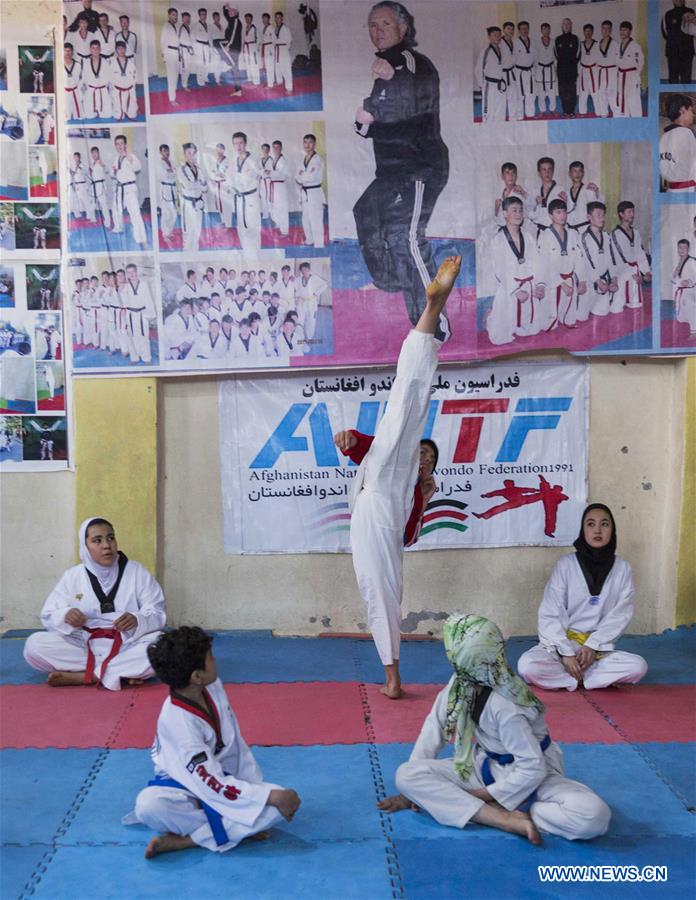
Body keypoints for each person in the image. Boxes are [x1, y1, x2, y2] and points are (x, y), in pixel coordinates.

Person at [333, 256, 461, 699]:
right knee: (404, 405)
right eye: (423, 451)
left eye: (429, 457)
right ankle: (430, 313)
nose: (424, 457)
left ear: (428, 465)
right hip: (373, 493)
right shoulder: (394, 451)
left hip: (387, 509)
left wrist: (422, 496)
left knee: (386, 591)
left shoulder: (416, 480)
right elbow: (364, 446)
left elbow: (406, 537)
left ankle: (391, 672)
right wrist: (349, 440)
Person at [380, 614, 611, 842]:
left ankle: (507, 811)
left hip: (535, 776)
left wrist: (483, 795)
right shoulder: (459, 684)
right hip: (483, 768)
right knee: (407, 774)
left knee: (593, 816)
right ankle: (499, 817)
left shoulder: (506, 705)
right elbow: (435, 728)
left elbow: (532, 767)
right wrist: (407, 794)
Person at [127, 627, 301, 858]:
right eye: (210, 658)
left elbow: (234, 748)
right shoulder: (179, 723)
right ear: (196, 676)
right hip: (184, 787)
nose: (215, 660)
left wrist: (254, 793)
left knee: (282, 800)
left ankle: (192, 838)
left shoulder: (210, 686)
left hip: (221, 778)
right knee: (149, 806)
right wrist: (266, 799)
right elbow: (207, 781)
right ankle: (218, 834)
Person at [353, 2, 450, 339]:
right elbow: (368, 121)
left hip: (419, 167)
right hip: (392, 170)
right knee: (366, 212)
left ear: (403, 28)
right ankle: (393, 280)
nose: (376, 30)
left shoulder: (409, 62)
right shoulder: (385, 66)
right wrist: (367, 122)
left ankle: (433, 324)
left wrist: (392, 81)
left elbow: (408, 112)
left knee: (405, 236)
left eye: (384, 23)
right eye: (371, 24)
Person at [23, 517, 166, 689]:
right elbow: (48, 614)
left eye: (110, 538)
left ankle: (87, 676)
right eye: (97, 540)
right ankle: (121, 672)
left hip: (127, 642)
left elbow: (157, 611)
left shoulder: (136, 572)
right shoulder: (73, 576)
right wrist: (65, 615)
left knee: (164, 645)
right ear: (85, 546)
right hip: (85, 644)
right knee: (34, 645)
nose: (107, 545)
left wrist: (138, 619)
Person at [518, 505, 648, 691]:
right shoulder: (566, 565)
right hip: (562, 646)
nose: (597, 530)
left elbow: (620, 615)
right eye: (590, 524)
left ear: (613, 530)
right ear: (583, 530)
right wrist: (566, 653)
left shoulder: (622, 568)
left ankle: (573, 677)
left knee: (638, 666)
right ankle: (588, 679)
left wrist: (593, 645)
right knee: (527, 666)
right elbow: (550, 612)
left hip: (597, 650)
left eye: (604, 524)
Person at [537, 198, 586, 331]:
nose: (563, 215)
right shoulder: (545, 236)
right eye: (558, 212)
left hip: (570, 278)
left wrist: (581, 280)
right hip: (553, 282)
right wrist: (561, 283)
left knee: (570, 317)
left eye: (564, 212)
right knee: (549, 326)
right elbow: (544, 264)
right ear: (550, 215)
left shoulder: (573, 234)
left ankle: (567, 318)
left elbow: (579, 259)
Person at [578, 202, 618, 319]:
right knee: (582, 317)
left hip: (604, 280)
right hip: (590, 282)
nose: (602, 218)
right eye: (598, 215)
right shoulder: (583, 237)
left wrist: (614, 279)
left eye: (603, 215)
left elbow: (611, 258)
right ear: (589, 217)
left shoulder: (606, 236)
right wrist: (598, 281)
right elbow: (587, 261)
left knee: (603, 313)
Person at [610, 201, 651, 312]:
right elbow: (616, 258)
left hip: (634, 274)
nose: (632, 214)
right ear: (621, 214)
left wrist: (646, 272)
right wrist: (632, 273)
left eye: (633, 211)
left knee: (636, 306)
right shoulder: (615, 234)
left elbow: (640, 254)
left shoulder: (636, 233)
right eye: (629, 211)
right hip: (621, 274)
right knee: (616, 309)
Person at [112, 133, 147, 246]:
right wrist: (114, 171)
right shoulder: (116, 158)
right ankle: (118, 227)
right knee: (116, 209)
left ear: (125, 145)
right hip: (120, 188)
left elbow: (138, 167)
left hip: (130, 189)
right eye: (117, 144)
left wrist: (130, 158)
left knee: (135, 213)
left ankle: (141, 238)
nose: (119, 146)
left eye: (121, 143)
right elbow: (113, 174)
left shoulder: (131, 155)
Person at [229, 131, 261, 254]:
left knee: (252, 227)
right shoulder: (234, 159)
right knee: (241, 227)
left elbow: (260, 174)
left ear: (245, 143)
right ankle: (246, 251)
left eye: (241, 143)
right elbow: (232, 178)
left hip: (251, 198)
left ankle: (254, 253)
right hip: (239, 198)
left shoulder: (252, 160)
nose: (238, 146)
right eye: (235, 144)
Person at [659, 94, 696, 192]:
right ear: (683, 110)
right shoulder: (686, 133)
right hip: (688, 191)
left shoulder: (664, 136)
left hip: (671, 191)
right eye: (691, 111)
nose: (693, 115)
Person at [296, 133, 325, 248]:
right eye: (305, 142)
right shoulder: (303, 158)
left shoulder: (317, 159)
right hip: (305, 193)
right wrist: (303, 176)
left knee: (316, 219)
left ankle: (319, 244)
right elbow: (296, 176)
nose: (307, 145)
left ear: (314, 144)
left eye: (310, 142)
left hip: (314, 192)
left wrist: (303, 175)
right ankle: (309, 240)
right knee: (306, 218)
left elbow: (311, 177)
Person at [178, 142, 208, 252]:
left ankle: (195, 256)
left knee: (197, 232)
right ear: (185, 155)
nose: (191, 155)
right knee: (188, 234)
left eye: (193, 153)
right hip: (188, 204)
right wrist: (199, 184)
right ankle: (186, 260)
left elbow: (205, 188)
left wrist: (200, 184)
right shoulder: (181, 169)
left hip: (199, 203)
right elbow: (188, 185)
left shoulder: (199, 170)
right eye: (188, 153)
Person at [476, 27, 506, 124]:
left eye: (499, 35)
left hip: (500, 85)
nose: (498, 37)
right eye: (495, 35)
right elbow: (478, 70)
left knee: (501, 111)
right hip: (489, 85)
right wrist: (481, 85)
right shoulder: (485, 51)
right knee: (489, 112)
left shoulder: (502, 50)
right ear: (489, 37)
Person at [662, 0, 695, 84]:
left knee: (686, 78)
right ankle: (673, 97)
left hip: (687, 50)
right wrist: (674, 41)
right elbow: (664, 32)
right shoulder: (668, 14)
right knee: (673, 78)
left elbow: (693, 30)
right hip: (673, 51)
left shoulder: (691, 12)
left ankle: (686, 97)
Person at [615, 22, 644, 118]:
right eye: (621, 30)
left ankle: (637, 120)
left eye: (625, 30)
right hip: (621, 75)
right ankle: (624, 118)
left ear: (630, 31)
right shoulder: (618, 45)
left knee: (633, 99)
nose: (623, 32)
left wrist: (636, 76)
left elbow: (640, 62)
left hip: (631, 75)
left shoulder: (635, 46)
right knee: (622, 97)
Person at [554, 18, 580, 116]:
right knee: (562, 92)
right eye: (564, 24)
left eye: (568, 24)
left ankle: (572, 111)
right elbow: (556, 54)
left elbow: (578, 55)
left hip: (572, 70)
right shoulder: (558, 39)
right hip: (561, 70)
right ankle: (565, 111)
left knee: (572, 91)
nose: (566, 26)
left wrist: (571, 65)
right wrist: (563, 64)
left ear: (571, 25)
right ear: (561, 26)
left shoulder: (575, 38)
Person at [672, 239, 696, 334]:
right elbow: (674, 280)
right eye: (680, 247)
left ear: (688, 248)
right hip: (680, 292)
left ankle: (694, 331)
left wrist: (689, 281)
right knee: (681, 318)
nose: (682, 250)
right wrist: (674, 299)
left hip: (691, 290)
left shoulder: (693, 261)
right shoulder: (677, 262)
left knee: (690, 304)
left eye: (684, 247)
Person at [157, 143, 178, 246]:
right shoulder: (159, 163)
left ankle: (169, 232)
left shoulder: (172, 162)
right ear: (161, 152)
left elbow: (175, 174)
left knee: (174, 214)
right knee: (166, 214)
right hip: (165, 189)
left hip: (173, 189)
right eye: (164, 151)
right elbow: (165, 175)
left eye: (168, 150)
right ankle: (165, 234)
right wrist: (171, 172)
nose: (167, 152)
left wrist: (171, 172)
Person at [595, 20, 618, 118]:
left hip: (612, 71)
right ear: (601, 29)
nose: (605, 30)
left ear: (611, 30)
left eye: (607, 28)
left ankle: (616, 114)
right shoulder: (598, 43)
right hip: (601, 72)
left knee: (612, 94)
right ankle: (604, 114)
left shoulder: (615, 44)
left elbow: (618, 59)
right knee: (601, 93)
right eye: (603, 28)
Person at [110, 41, 138, 120]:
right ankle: (120, 113)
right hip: (117, 90)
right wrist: (114, 88)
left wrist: (132, 86)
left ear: (125, 49)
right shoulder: (112, 63)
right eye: (119, 48)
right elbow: (110, 77)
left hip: (129, 89)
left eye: (123, 48)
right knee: (118, 115)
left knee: (133, 114)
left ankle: (130, 113)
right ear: (116, 50)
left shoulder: (131, 62)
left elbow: (135, 76)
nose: (121, 50)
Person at [513, 21, 535, 120]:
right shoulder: (515, 43)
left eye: (526, 28)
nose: (525, 30)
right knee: (520, 95)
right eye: (522, 29)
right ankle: (520, 116)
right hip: (519, 72)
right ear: (519, 30)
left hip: (530, 71)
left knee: (531, 94)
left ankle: (530, 114)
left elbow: (535, 57)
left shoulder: (533, 41)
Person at [267, 140, 290, 236]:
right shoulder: (274, 159)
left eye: (278, 147)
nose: (276, 149)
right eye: (274, 147)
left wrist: (270, 173)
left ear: (281, 148)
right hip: (273, 186)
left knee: (282, 208)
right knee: (274, 207)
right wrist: (269, 172)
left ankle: (285, 231)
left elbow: (281, 174)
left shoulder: (282, 160)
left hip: (280, 186)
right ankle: (279, 224)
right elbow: (273, 172)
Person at [577, 24, 599, 116]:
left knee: (595, 92)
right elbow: (577, 58)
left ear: (592, 32)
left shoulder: (597, 44)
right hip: (583, 70)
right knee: (583, 93)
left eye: (590, 31)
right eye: (586, 31)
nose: (588, 33)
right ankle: (582, 112)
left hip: (594, 70)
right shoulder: (580, 45)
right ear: (584, 32)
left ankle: (598, 111)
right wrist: (578, 71)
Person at [161, 7, 181, 106]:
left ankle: (174, 94)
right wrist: (164, 56)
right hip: (169, 53)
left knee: (176, 76)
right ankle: (172, 99)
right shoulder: (166, 26)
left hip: (177, 53)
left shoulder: (176, 27)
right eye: (173, 14)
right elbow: (162, 41)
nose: (175, 16)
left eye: (176, 15)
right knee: (171, 77)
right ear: (169, 15)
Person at [535, 22, 556, 115]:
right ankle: (542, 111)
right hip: (541, 70)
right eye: (544, 29)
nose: (546, 31)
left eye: (548, 29)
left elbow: (556, 55)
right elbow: (534, 57)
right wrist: (536, 69)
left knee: (552, 93)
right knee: (541, 94)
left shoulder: (554, 42)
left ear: (550, 30)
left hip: (551, 70)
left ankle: (553, 109)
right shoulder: (536, 43)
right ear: (541, 30)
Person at [273, 11, 293, 92]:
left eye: (279, 17)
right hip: (277, 49)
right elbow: (274, 40)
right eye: (276, 17)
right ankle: (279, 81)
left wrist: (284, 49)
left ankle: (289, 88)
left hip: (283, 50)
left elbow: (290, 40)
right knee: (277, 67)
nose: (277, 19)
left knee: (286, 69)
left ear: (282, 18)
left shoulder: (286, 28)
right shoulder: (276, 29)